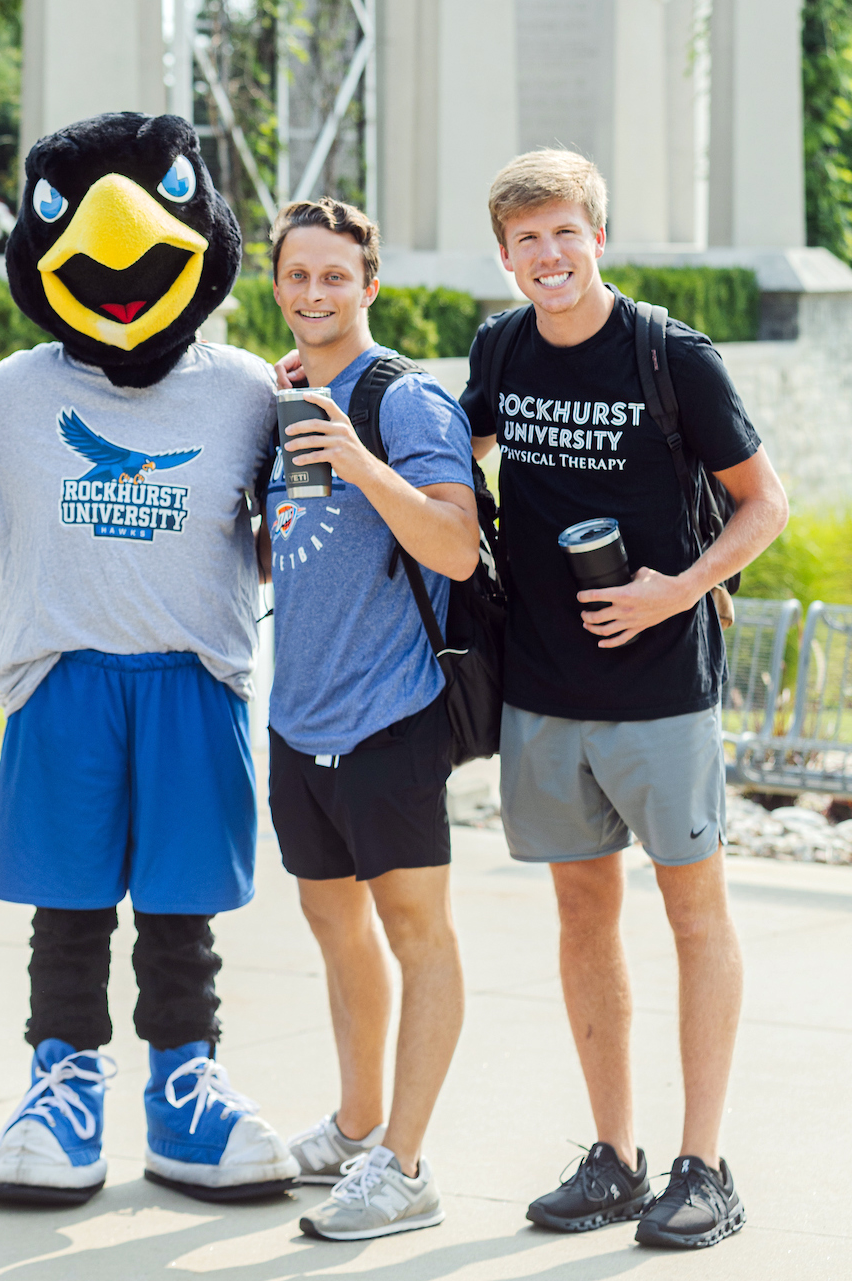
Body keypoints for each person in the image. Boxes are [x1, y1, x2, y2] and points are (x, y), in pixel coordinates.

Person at [0, 111, 299, 1205]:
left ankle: (185, 1089)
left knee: (182, 909)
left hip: (194, 673)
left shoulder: (247, 391)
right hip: (63, 673)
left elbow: (296, 536)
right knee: (71, 904)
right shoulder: (11, 394)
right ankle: (63, 1084)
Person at [460, 149, 788, 1249]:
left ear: (596, 235)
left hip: (661, 690)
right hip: (543, 689)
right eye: (525, 241)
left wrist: (677, 591)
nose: (546, 256)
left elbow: (763, 504)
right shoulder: (499, 349)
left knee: (695, 914)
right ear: (503, 257)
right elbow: (447, 454)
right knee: (581, 918)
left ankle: (705, 1166)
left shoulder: (667, 355)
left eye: (563, 233)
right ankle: (616, 1156)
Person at [255, 199, 477, 1241]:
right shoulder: (280, 395)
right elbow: (284, 545)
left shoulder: (405, 401)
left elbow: (455, 549)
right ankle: (353, 1127)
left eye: (333, 277)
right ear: (276, 284)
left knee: (415, 934)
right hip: (297, 719)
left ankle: (405, 1165)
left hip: (391, 714)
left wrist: (360, 460)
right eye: (296, 276)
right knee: (334, 929)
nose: (313, 294)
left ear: (368, 284)